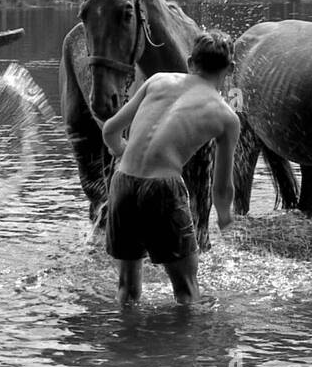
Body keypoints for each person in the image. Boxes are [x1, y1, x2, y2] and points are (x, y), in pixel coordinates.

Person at [101, 29, 240, 305]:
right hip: (163, 188)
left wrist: (123, 152)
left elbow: (109, 131)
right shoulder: (226, 116)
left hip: (123, 180)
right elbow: (222, 189)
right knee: (187, 292)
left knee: (127, 290)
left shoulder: (157, 81)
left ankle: (124, 345)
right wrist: (226, 222)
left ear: (190, 62)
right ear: (231, 69)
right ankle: (182, 349)